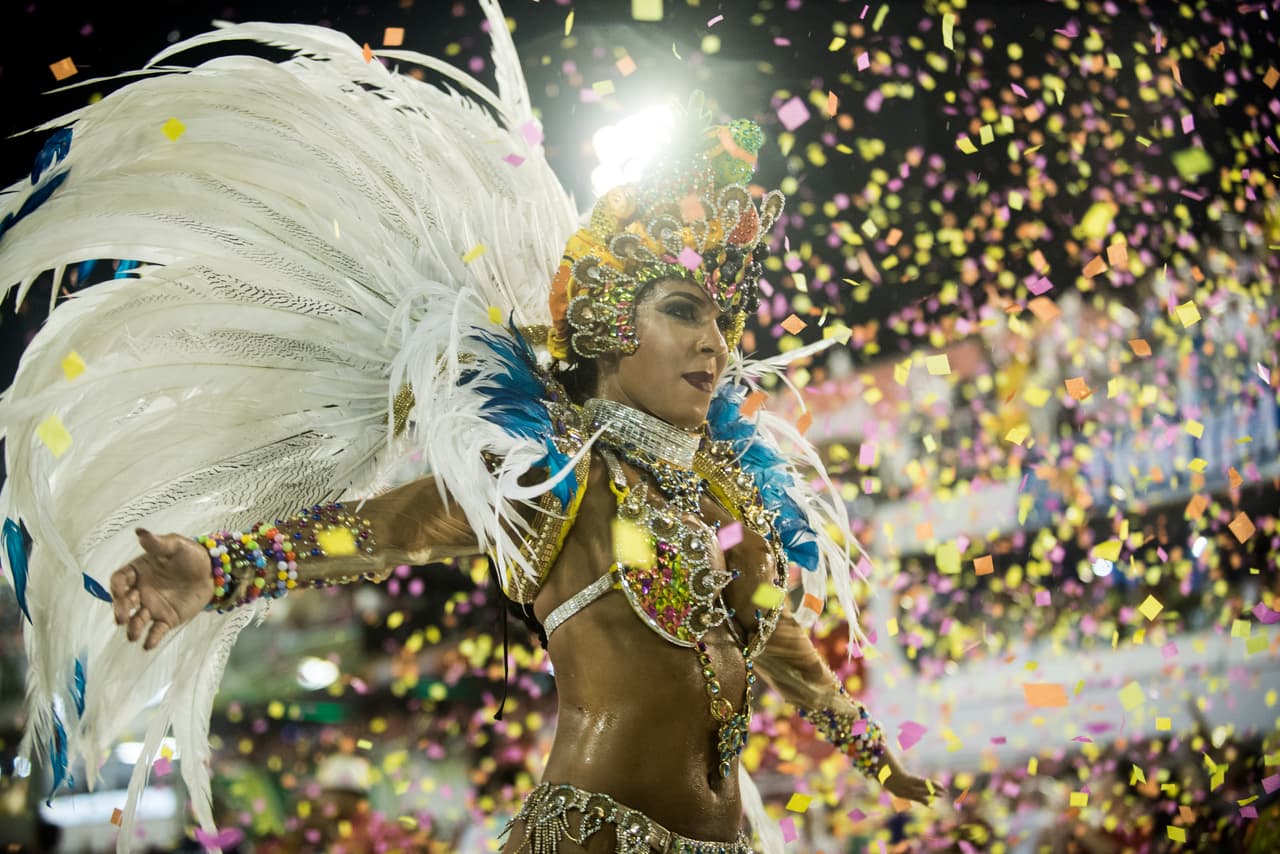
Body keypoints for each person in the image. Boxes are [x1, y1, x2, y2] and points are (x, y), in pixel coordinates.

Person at [0, 1, 939, 850]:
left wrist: (867, 750)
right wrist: (223, 567)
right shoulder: (556, 476)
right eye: (685, 311)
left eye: (725, 323)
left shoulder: (728, 493)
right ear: (612, 325)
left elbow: (772, 635)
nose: (717, 346)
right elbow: (392, 526)